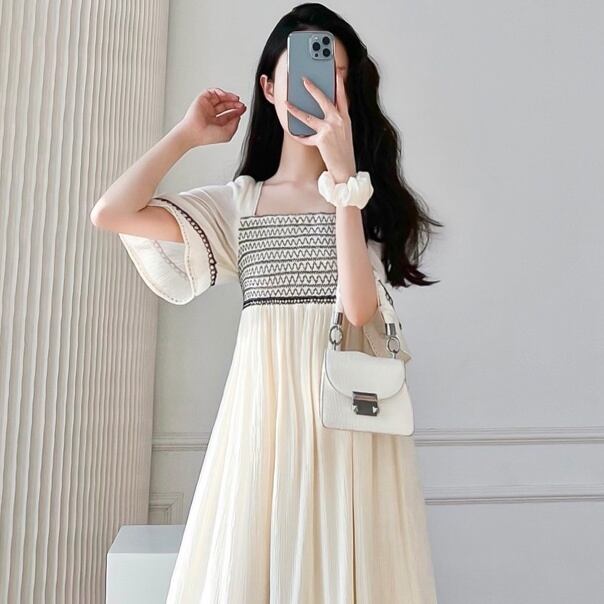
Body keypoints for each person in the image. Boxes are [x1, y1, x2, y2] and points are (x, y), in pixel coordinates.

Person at [91, 3, 442, 602]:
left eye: (334, 75)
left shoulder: (366, 200)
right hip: (263, 424)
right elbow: (111, 213)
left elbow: (358, 313)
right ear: (269, 87)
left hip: (345, 428)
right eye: (302, 73)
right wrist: (186, 135)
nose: (317, 88)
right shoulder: (240, 204)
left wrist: (345, 184)